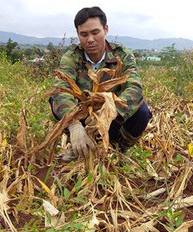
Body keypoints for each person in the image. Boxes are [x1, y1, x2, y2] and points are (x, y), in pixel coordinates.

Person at [49, 6, 152, 162]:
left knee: (142, 111)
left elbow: (135, 88)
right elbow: (60, 90)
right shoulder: (72, 57)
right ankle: (79, 145)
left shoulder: (122, 55)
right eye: (84, 34)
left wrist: (109, 111)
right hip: (84, 117)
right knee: (55, 100)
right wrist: (74, 124)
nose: (90, 39)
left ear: (105, 29)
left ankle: (118, 148)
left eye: (95, 32)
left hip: (113, 119)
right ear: (78, 34)